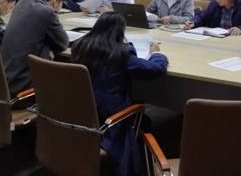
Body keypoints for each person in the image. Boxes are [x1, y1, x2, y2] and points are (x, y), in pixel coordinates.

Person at [71, 12, 169, 176]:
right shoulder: (120, 53)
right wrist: (157, 54)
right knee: (144, 120)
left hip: (82, 113)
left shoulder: (80, 47)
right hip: (111, 118)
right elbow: (154, 69)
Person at [1, 0, 69, 95]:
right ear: (56, 2)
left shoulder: (22, 3)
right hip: (23, 86)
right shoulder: (47, 12)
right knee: (67, 82)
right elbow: (63, 43)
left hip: (5, 81)